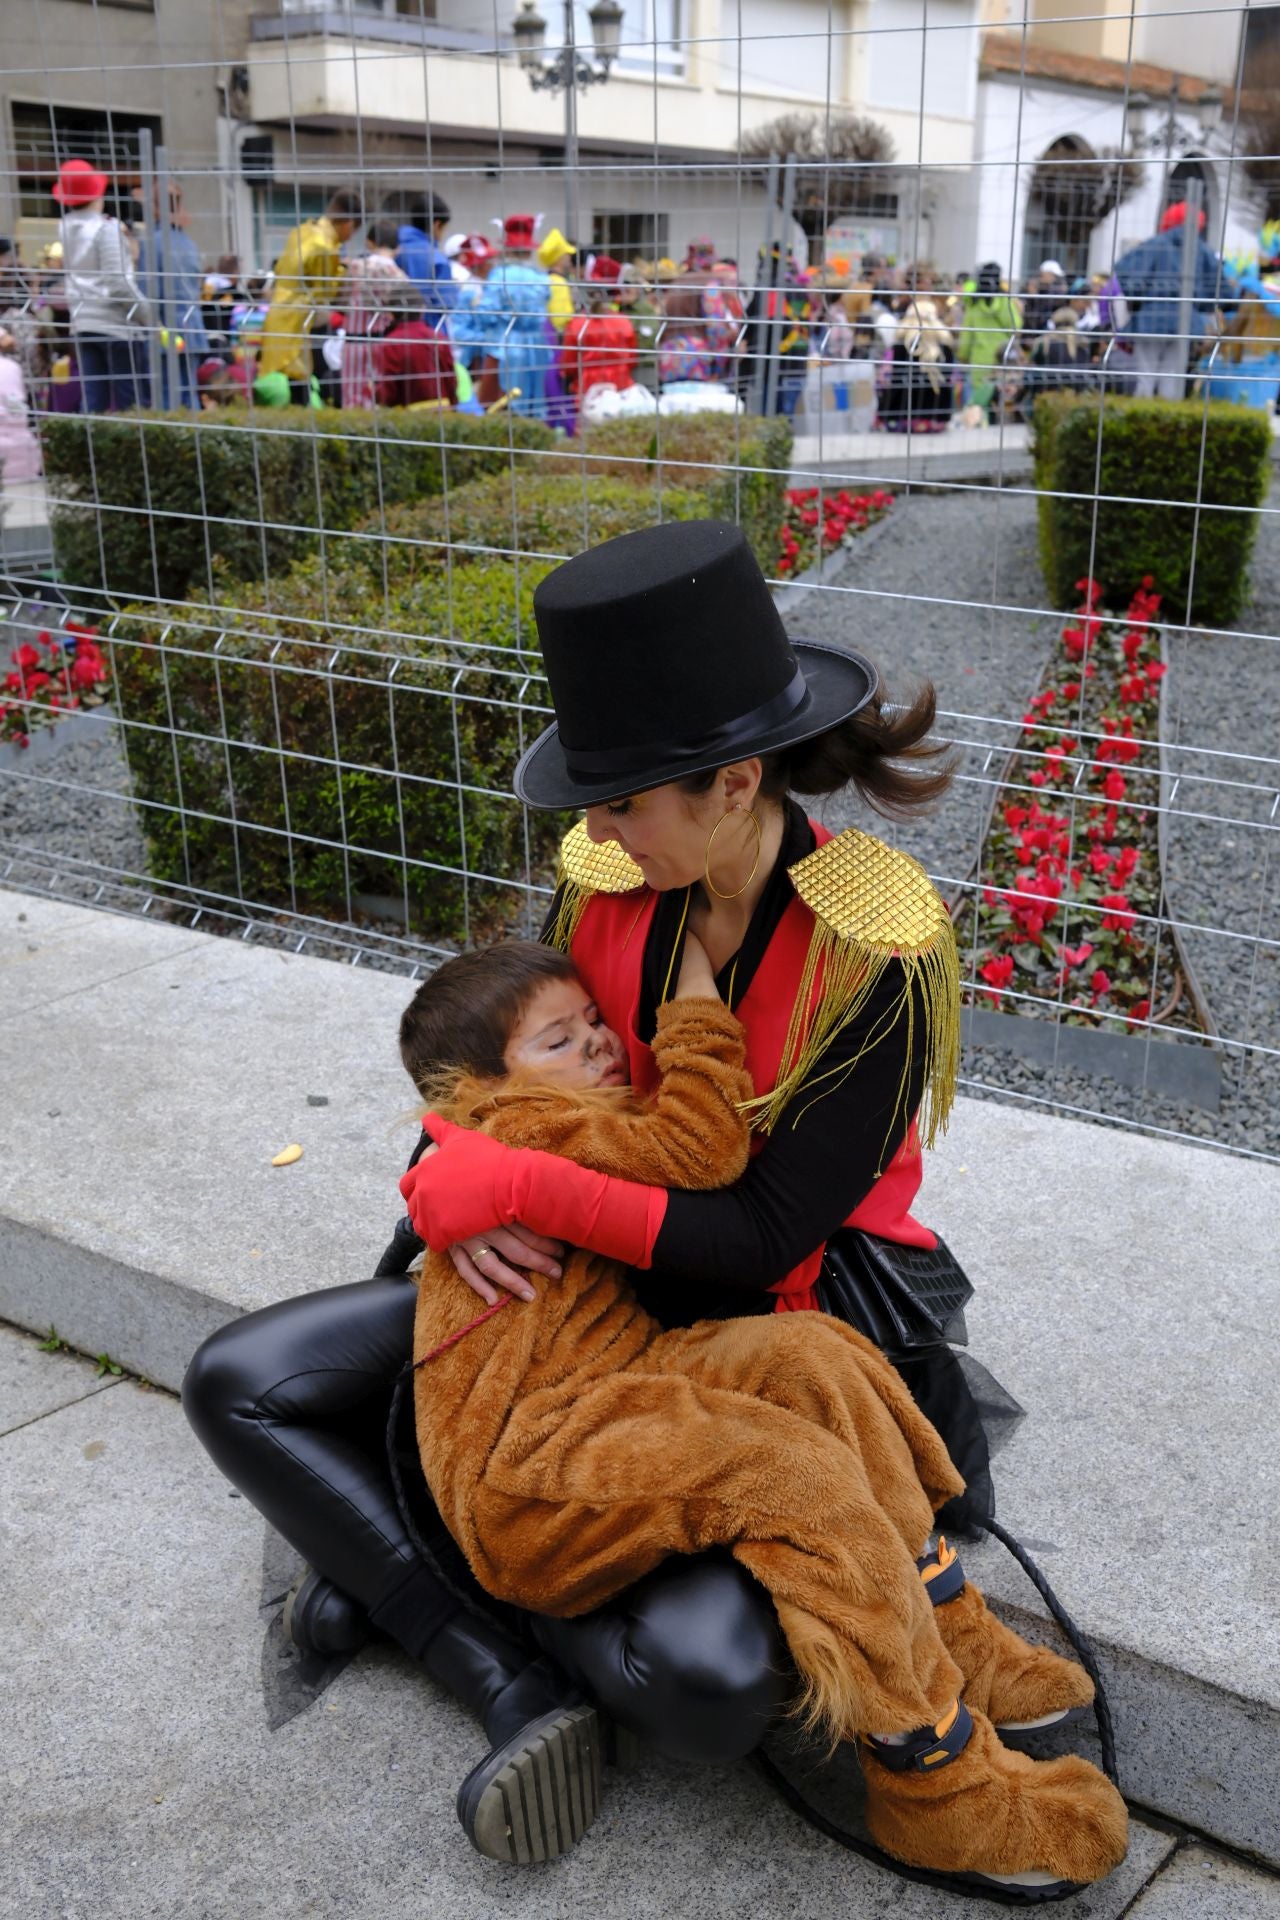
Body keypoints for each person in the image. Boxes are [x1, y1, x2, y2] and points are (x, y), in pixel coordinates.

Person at [182, 518, 1043, 1874]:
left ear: (735, 781)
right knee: (236, 1378)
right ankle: (496, 1673)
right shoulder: (617, 877)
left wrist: (521, 1184)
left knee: (708, 1688)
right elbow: (505, 1063)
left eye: (622, 800)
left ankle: (394, 1583)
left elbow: (756, 1238)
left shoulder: (876, 945)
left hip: (761, 1332)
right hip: (567, 1313)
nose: (589, 831)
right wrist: (447, 1173)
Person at [402, 935, 1119, 1892]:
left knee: (813, 1355)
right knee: (782, 1465)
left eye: (594, 1025)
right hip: (531, 1467)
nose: (603, 1048)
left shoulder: (525, 1125)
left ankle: (950, 1630)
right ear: (480, 1086)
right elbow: (705, 1148)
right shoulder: (534, 1123)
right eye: (561, 1042)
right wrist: (695, 1008)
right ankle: (933, 1786)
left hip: (619, 1381)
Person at [54, 157, 152, 413]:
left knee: (94, 401)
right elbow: (118, 282)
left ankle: (93, 452)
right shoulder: (106, 229)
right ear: (98, 193)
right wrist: (148, 316)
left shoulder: (65, 228)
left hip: (83, 322)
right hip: (117, 325)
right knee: (131, 405)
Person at [1114, 204, 1228, 399]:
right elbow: (1222, 289)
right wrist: (1201, 305)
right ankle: (1168, 422)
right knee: (1173, 379)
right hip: (1186, 322)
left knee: (1145, 378)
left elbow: (1125, 272)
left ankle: (1140, 420)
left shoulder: (1154, 244)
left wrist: (1140, 299)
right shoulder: (1202, 251)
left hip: (1150, 320)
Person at [257, 189, 360, 404]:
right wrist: (343, 271)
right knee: (306, 384)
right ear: (348, 224)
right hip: (301, 320)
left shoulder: (302, 230)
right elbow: (326, 292)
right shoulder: (325, 246)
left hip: (282, 312)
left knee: (294, 381)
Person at [135, 184, 210, 410]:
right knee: (190, 394)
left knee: (167, 396)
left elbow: (148, 292)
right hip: (193, 327)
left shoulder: (152, 243)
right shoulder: (189, 244)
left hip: (166, 330)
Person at [475, 213, 552, 417]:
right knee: (533, 404)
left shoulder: (499, 276)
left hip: (504, 347)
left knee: (499, 408)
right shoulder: (541, 278)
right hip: (536, 348)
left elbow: (486, 316)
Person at [341, 218, 413, 410]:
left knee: (352, 398)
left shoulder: (354, 267)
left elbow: (341, 299)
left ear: (369, 242)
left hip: (353, 342)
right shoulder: (398, 275)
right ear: (397, 247)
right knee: (377, 398)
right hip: (383, 343)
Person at [560, 256, 636, 416]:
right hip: (621, 387)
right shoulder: (623, 322)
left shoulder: (577, 324)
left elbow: (568, 364)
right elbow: (632, 358)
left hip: (588, 389)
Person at [956, 262, 1021, 419]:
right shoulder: (1006, 302)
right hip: (1003, 362)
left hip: (980, 364)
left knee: (978, 406)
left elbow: (966, 339)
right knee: (1001, 405)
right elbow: (1017, 326)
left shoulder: (974, 306)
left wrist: (963, 357)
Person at [372, 291, 457, 408]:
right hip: (442, 409)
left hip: (407, 415)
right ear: (422, 310)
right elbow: (451, 379)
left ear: (391, 313)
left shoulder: (390, 343)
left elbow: (388, 391)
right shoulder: (437, 337)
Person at [392, 191, 455, 331]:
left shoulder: (392, 248)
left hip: (394, 328)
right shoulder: (437, 259)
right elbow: (447, 302)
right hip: (430, 330)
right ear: (436, 225)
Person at [615, 263, 662, 394]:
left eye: (629, 285)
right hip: (624, 367)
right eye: (623, 285)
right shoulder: (620, 309)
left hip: (644, 366)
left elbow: (647, 339)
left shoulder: (645, 309)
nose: (625, 289)